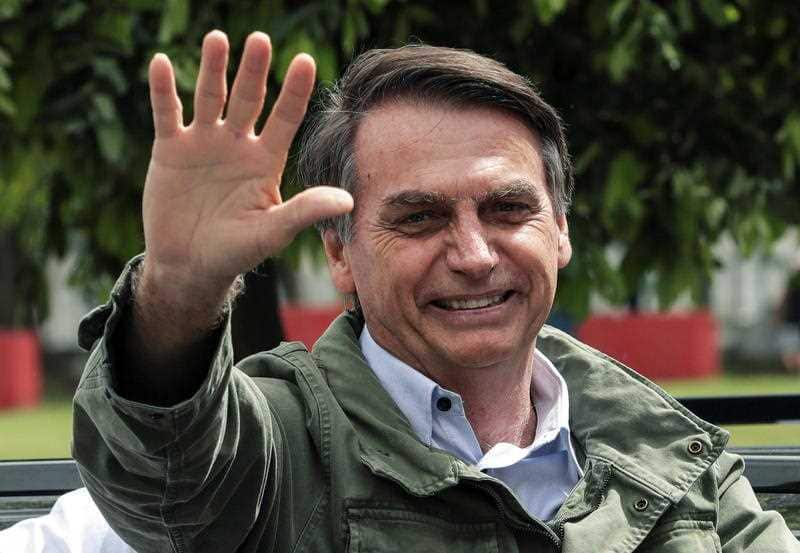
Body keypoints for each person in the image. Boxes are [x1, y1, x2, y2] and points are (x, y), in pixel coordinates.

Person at [71, 30, 798, 553]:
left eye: (509, 209)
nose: (475, 255)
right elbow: (164, 475)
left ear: (563, 230)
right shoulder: (279, 449)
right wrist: (179, 289)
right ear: (340, 252)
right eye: (419, 218)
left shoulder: (675, 456)